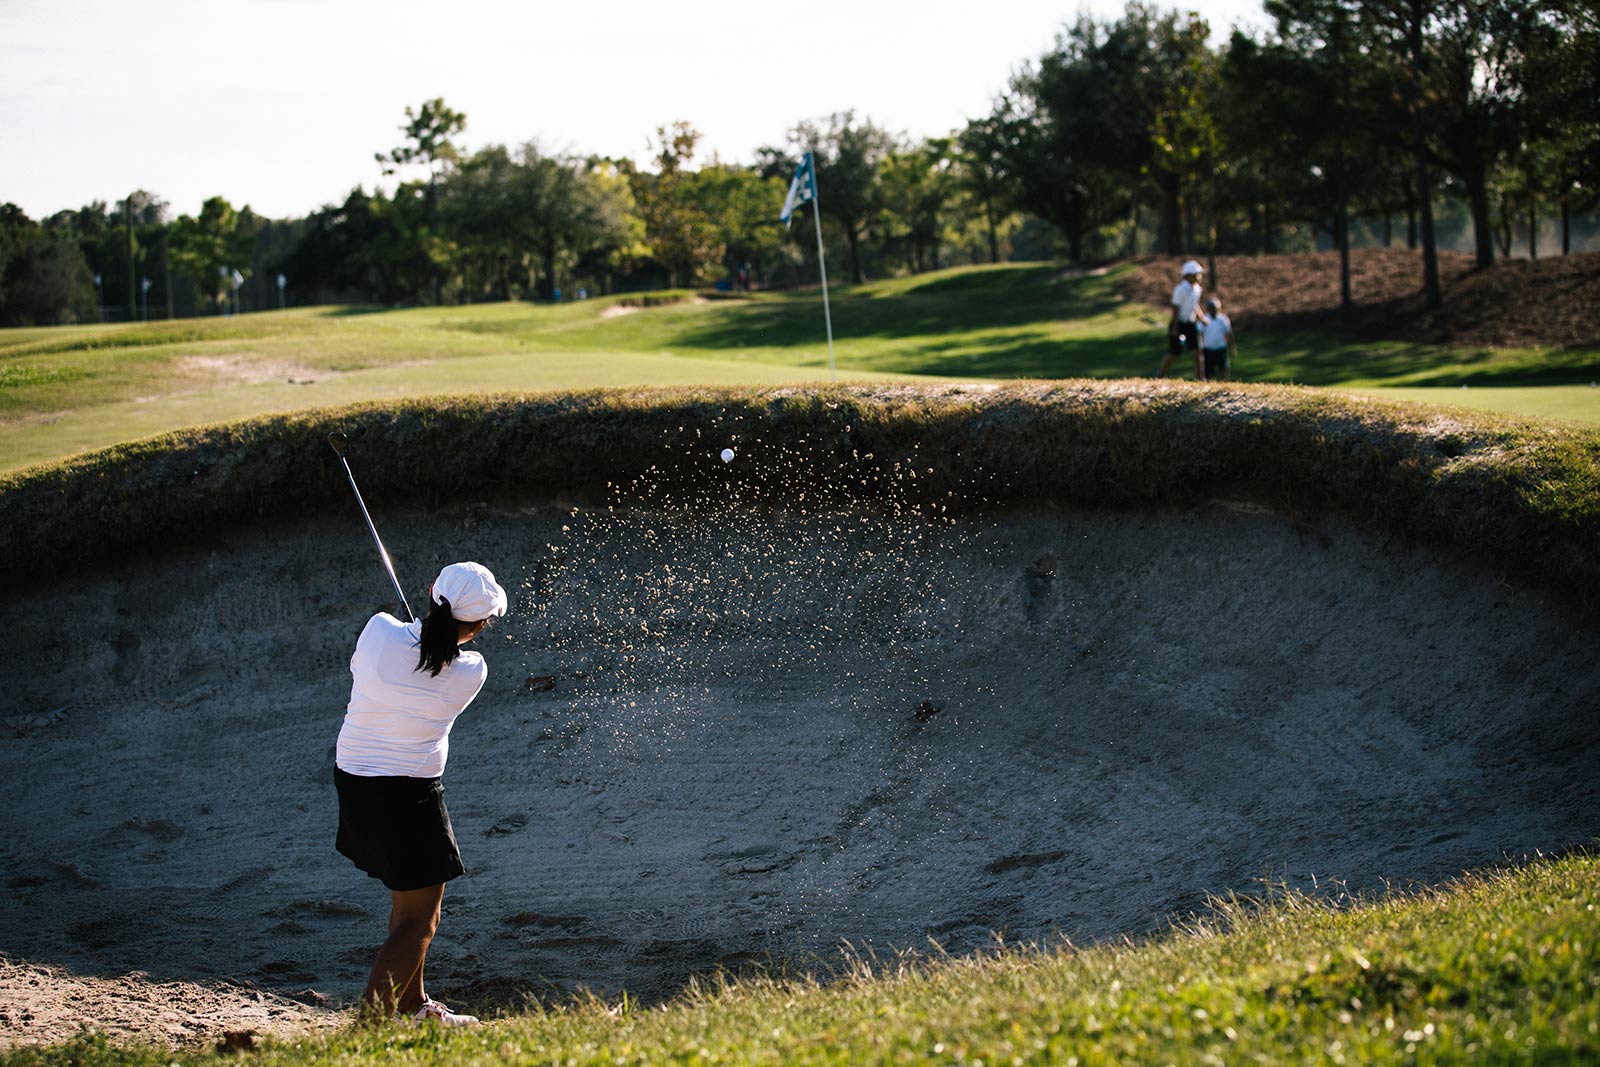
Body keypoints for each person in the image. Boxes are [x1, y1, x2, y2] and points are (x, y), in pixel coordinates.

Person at [333, 561, 508, 1026]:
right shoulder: (472, 670)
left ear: (431, 591)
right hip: (409, 799)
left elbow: (400, 647)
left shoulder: (377, 631)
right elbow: (436, 655)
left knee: (407, 904)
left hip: (353, 782)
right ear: (478, 626)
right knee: (419, 922)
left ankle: (414, 1005)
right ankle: (368, 1029)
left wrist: (417, 631)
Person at [1158, 260, 1208, 380]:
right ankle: (1160, 375)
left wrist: (1201, 318)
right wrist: (1175, 327)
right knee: (1174, 353)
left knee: (1197, 351)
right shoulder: (1181, 289)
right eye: (1196, 274)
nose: (1199, 276)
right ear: (1188, 275)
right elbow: (1175, 308)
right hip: (1179, 323)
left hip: (1191, 324)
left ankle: (1201, 379)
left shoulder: (1197, 289)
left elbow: (1195, 305)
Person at [1199, 296, 1235, 381]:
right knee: (1207, 372)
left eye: (1215, 308)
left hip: (1220, 349)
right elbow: (1199, 333)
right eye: (1211, 308)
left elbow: (1229, 334)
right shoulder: (1205, 319)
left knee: (1224, 370)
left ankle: (1225, 385)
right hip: (1208, 350)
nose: (1213, 310)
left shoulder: (1223, 319)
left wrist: (1232, 347)